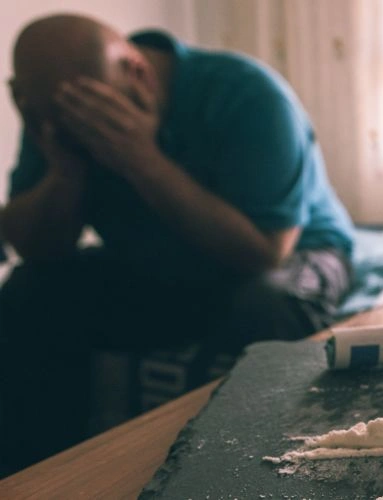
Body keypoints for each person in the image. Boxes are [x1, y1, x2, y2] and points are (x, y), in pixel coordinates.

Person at [0, 14, 355, 474]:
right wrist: (65, 168)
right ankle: (36, 476)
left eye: (99, 123)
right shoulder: (58, 112)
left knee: (267, 306)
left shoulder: (249, 95)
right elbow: (39, 250)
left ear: (138, 74)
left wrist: (141, 159)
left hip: (291, 251)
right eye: (72, 127)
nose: (88, 134)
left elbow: (265, 251)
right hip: (159, 262)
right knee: (29, 291)